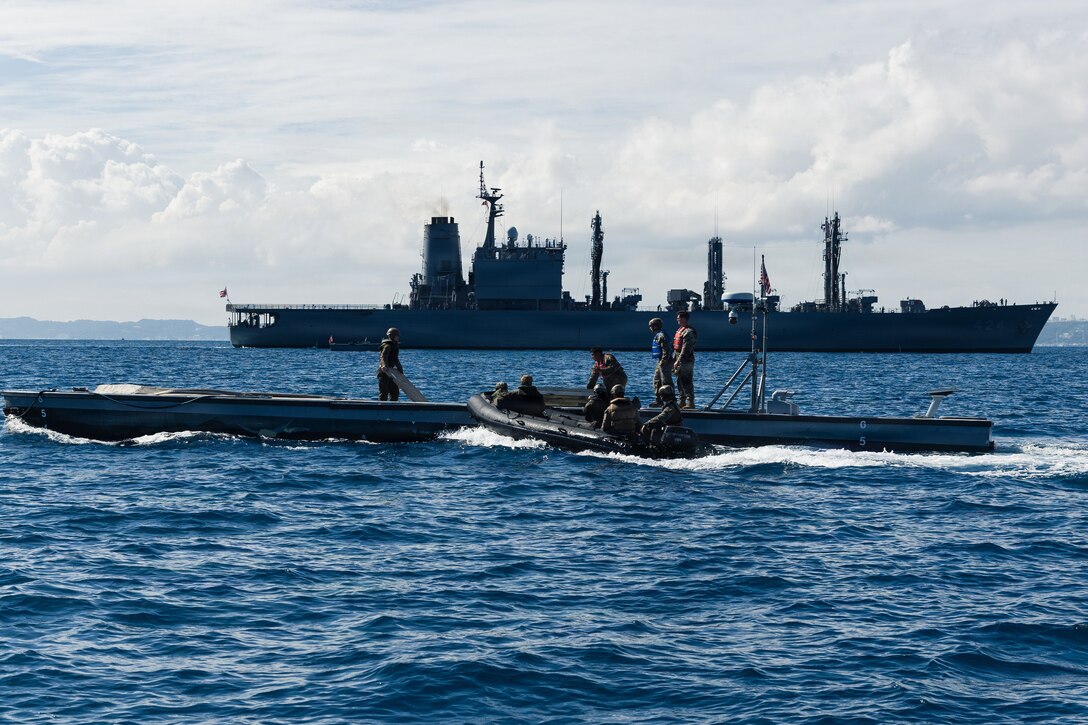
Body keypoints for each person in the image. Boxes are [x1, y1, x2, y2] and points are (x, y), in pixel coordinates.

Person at [672, 310, 697, 409]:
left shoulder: (689, 332)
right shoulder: (680, 330)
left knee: (686, 381)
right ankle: (682, 401)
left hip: (686, 360)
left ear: (684, 319)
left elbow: (686, 348)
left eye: (679, 318)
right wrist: (675, 359)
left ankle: (690, 402)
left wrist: (679, 361)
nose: (677, 319)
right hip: (678, 357)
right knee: (679, 381)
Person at [648, 317, 673, 406]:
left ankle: (670, 401)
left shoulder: (661, 336)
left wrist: (664, 361)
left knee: (666, 381)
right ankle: (659, 400)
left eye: (651, 326)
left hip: (664, 362)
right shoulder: (658, 335)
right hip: (660, 361)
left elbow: (666, 349)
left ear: (655, 326)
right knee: (657, 381)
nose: (650, 328)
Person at [377, 327, 403, 401]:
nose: (398, 337)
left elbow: (395, 359)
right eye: (396, 336)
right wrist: (384, 365)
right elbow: (383, 357)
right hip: (384, 371)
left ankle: (393, 407)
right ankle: (382, 407)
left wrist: (400, 369)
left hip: (391, 372)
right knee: (384, 391)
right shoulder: (387, 346)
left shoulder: (395, 346)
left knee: (395, 392)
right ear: (392, 336)